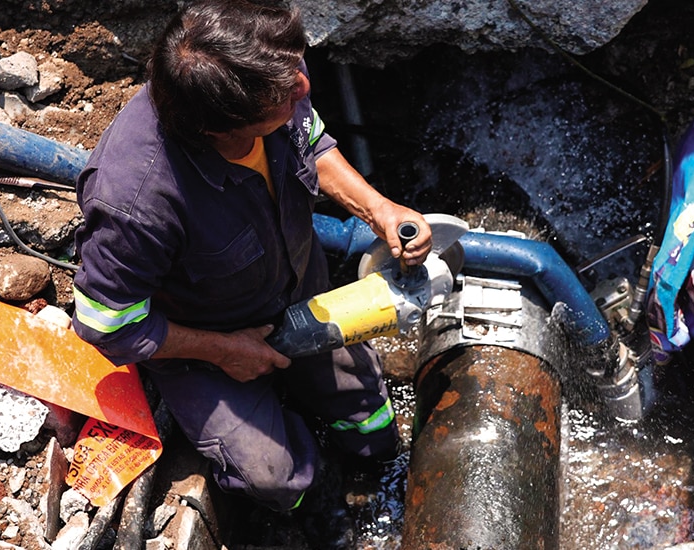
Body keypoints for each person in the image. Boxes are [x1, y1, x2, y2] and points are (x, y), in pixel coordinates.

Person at [70, 0, 432, 515]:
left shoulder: (266, 71)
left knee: (365, 405)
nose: (303, 85)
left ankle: (376, 463)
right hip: (206, 339)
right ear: (223, 130)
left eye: (295, 70)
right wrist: (225, 351)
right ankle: (316, 510)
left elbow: (310, 141)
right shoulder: (137, 201)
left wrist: (379, 209)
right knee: (274, 476)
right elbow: (105, 324)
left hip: (299, 286)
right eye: (284, 94)